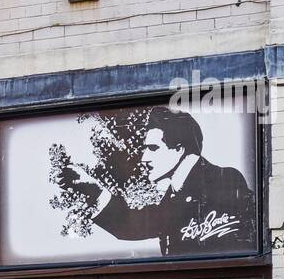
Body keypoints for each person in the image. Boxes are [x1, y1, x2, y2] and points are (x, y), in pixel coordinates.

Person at [59, 107, 255, 256]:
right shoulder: (176, 191)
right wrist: (93, 190)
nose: (144, 158)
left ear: (180, 149)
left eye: (153, 148)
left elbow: (235, 252)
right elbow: (132, 225)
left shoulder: (225, 179)